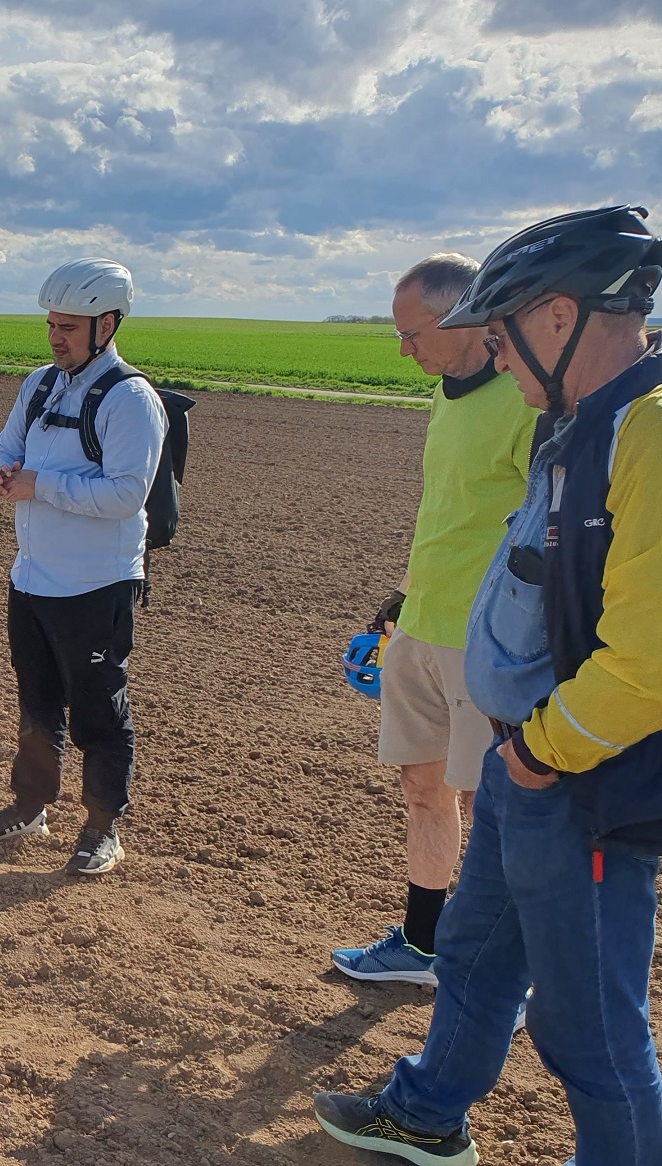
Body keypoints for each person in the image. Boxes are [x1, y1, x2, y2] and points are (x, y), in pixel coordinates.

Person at [314, 204, 662, 1166]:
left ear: (557, 316)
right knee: (469, 954)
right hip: (530, 760)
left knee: (589, 1030)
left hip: (584, 778)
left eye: (501, 334)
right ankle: (426, 1114)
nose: (494, 356)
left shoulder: (647, 430)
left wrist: (539, 754)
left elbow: (649, 658)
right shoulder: (579, 421)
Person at [330, 255, 537, 985]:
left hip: (487, 640)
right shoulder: (446, 396)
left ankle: (504, 970)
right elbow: (448, 512)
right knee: (423, 788)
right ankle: (422, 946)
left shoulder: (528, 402)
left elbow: (542, 533)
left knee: (492, 805)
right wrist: (400, 602)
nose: (403, 350)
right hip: (421, 627)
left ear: (463, 317)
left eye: (411, 334)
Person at [0, 258, 166, 875]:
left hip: (94, 585)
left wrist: (39, 485)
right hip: (30, 578)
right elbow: (7, 446)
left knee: (99, 711)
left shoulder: (131, 400)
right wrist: (1, 472)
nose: (55, 337)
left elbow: (127, 494)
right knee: (37, 702)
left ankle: (103, 828)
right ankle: (30, 805)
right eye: (51, 325)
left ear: (107, 325)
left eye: (69, 327)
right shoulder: (40, 384)